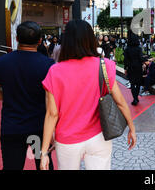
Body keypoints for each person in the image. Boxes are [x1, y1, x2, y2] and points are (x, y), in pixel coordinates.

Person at [39, 20, 136, 170]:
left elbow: (52, 114)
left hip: (67, 139)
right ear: (90, 39)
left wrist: (44, 151)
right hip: (99, 136)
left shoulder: (55, 71)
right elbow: (121, 102)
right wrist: (131, 128)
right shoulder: (104, 65)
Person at [0, 21, 55, 170]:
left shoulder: (3, 62)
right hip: (39, 128)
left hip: (12, 128)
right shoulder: (49, 65)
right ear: (40, 41)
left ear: (17, 39)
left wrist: (10, 95)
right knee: (43, 166)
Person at [124, 34, 144, 106]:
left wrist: (125, 68)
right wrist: (147, 60)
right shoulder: (139, 48)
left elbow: (125, 60)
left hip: (130, 68)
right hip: (138, 67)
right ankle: (136, 98)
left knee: (132, 84)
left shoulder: (127, 49)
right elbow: (141, 58)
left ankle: (135, 98)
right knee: (138, 83)